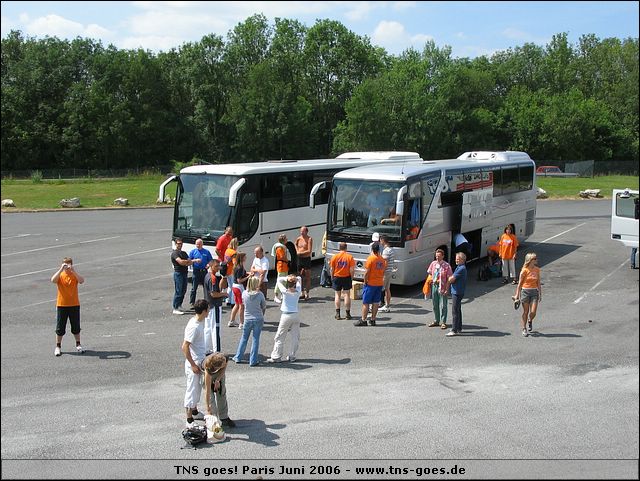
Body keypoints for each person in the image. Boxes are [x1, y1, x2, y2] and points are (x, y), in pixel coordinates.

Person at [182, 299, 209, 427]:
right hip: (194, 364)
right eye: (207, 309)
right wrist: (193, 364)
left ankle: (194, 411)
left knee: (197, 389)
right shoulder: (194, 326)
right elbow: (185, 346)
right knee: (192, 390)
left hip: (199, 361)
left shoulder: (199, 321)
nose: (209, 311)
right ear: (204, 311)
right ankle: (189, 419)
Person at [50, 257, 85, 356]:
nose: (67, 267)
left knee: (76, 326)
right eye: (65, 265)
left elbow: (82, 281)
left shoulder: (74, 275)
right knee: (60, 327)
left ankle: (78, 344)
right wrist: (61, 269)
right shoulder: (60, 275)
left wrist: (73, 270)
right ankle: (58, 346)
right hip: (62, 304)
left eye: (68, 265)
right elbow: (53, 280)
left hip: (74, 304)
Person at [267, 274, 303, 362]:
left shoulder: (285, 291)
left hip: (286, 315)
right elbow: (299, 278)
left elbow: (279, 280)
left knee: (280, 336)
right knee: (295, 337)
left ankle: (276, 356)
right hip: (295, 315)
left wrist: (286, 278)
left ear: (287, 284)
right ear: (295, 283)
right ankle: (292, 355)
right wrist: (295, 279)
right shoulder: (298, 291)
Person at [232, 275, 266, 366]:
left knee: (244, 338)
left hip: (247, 318)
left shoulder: (244, 294)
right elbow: (263, 307)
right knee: (255, 339)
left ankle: (238, 357)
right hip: (258, 318)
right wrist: (262, 315)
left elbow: (242, 306)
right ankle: (253, 360)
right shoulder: (260, 294)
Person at [354, 242, 386, 326]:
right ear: (378, 250)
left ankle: (363, 320)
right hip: (379, 283)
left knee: (366, 302)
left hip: (371, 283)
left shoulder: (370, 259)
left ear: (372, 249)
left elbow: (367, 272)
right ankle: (373, 319)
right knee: (376, 302)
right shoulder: (382, 260)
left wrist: (365, 281)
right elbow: (383, 271)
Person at [202, 351, 235, 428]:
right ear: (217, 367)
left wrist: (218, 380)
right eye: (223, 363)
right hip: (208, 375)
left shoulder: (224, 357)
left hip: (219, 374)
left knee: (221, 393)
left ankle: (224, 417)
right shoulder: (208, 368)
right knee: (211, 397)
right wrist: (208, 408)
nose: (225, 363)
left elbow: (223, 368)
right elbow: (207, 392)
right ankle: (213, 420)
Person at [203, 259, 228, 354]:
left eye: (219, 266)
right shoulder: (212, 278)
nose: (218, 268)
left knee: (208, 328)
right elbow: (214, 294)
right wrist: (224, 294)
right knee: (216, 328)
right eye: (216, 266)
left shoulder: (207, 276)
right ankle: (216, 350)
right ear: (211, 266)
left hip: (209, 305)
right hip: (215, 305)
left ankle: (205, 348)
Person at [513, 252, 542, 337]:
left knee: (533, 312)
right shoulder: (524, 271)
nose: (537, 260)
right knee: (526, 311)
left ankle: (530, 320)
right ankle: (524, 328)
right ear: (530, 260)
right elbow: (520, 284)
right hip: (525, 291)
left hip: (534, 292)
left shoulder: (537, 269)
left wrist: (540, 293)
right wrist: (517, 296)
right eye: (535, 259)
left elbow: (538, 282)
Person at [427, 248, 453, 330]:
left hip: (443, 286)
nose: (437, 258)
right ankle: (436, 320)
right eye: (436, 256)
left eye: (439, 256)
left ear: (443, 256)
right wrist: (429, 281)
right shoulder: (433, 263)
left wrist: (447, 289)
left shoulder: (446, 265)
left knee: (443, 305)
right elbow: (430, 273)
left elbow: (449, 278)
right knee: (435, 304)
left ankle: (443, 322)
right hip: (434, 285)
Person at [171, 238, 199, 315]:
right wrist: (189, 261)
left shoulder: (184, 253)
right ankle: (175, 307)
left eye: (181, 243)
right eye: (178, 243)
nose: (180, 245)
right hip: (178, 273)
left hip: (184, 273)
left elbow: (189, 262)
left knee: (183, 290)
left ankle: (179, 305)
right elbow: (181, 262)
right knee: (178, 290)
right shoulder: (175, 253)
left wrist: (188, 262)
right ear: (175, 244)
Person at [329, 242, 356, 320]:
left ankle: (338, 314)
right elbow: (352, 269)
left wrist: (332, 277)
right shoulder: (349, 257)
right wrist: (351, 277)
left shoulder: (334, 257)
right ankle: (348, 313)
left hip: (337, 276)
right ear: (346, 248)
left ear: (339, 248)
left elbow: (332, 269)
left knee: (337, 295)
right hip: (346, 277)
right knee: (347, 295)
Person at [446, 252, 468, 337]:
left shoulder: (461, 268)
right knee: (458, 309)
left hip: (457, 292)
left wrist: (450, 279)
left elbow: (451, 279)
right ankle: (459, 327)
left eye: (458, 259)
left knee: (454, 310)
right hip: (458, 291)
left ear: (462, 260)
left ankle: (454, 329)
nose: (456, 260)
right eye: (456, 259)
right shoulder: (459, 267)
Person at [188, 238, 213, 307]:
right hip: (196, 271)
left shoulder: (206, 252)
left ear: (202, 244)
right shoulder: (193, 252)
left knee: (206, 287)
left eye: (199, 244)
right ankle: (192, 302)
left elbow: (211, 261)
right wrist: (195, 260)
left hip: (204, 271)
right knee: (194, 288)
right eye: (197, 244)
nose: (198, 245)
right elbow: (189, 261)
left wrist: (208, 265)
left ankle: (207, 301)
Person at [229, 252, 249, 328]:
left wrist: (247, 273)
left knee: (237, 304)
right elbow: (239, 280)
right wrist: (248, 277)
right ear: (242, 258)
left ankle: (231, 320)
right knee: (242, 305)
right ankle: (241, 323)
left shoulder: (236, 266)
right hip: (239, 287)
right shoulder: (240, 267)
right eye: (245, 256)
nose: (246, 258)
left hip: (234, 287)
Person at [295, 226, 313, 300]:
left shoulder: (309, 239)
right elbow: (295, 244)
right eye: (301, 231)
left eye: (303, 231)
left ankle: (307, 293)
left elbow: (309, 250)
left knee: (307, 277)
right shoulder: (299, 238)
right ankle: (301, 293)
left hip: (306, 259)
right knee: (300, 276)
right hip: (300, 259)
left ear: (306, 232)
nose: (301, 233)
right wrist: (297, 251)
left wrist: (301, 253)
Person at [271, 233, 290, 303]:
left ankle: (283, 294)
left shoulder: (282, 246)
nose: (287, 239)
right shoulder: (279, 247)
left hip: (284, 265)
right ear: (283, 240)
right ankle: (276, 296)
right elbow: (282, 257)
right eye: (286, 238)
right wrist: (288, 261)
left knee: (284, 280)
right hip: (281, 265)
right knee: (279, 281)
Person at [379, 235, 395, 312]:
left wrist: (381, 272)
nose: (380, 242)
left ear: (383, 240)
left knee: (381, 288)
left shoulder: (386, 251)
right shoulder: (391, 249)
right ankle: (387, 305)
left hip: (385, 272)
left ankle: (379, 305)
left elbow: (385, 263)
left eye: (380, 240)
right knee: (387, 289)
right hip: (389, 271)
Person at [224, 237, 238, 308]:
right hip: (232, 271)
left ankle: (228, 300)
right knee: (233, 286)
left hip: (227, 270)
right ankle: (233, 302)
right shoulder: (234, 252)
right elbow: (235, 263)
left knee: (229, 286)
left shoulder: (227, 250)